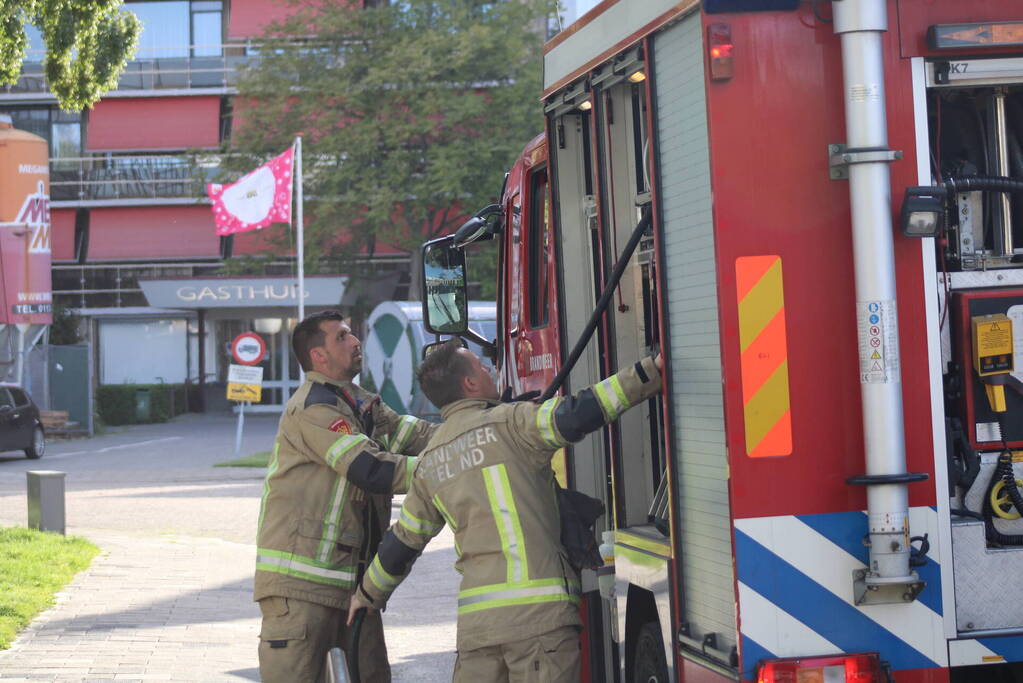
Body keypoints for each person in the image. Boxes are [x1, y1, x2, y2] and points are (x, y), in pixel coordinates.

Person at [348, 339, 663, 682]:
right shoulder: (512, 423)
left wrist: (366, 595)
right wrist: (649, 372)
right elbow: (580, 411)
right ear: (469, 384)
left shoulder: (429, 462)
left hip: (478, 633)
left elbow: (403, 542)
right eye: (482, 367)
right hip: (540, 624)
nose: (490, 370)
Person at [255, 310, 436, 683]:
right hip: (302, 587)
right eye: (342, 337)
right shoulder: (314, 409)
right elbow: (369, 469)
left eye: (352, 334)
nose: (356, 342)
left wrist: (474, 434)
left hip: (353, 585)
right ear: (318, 356)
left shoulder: (360, 403)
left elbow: (414, 434)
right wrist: (451, 468)